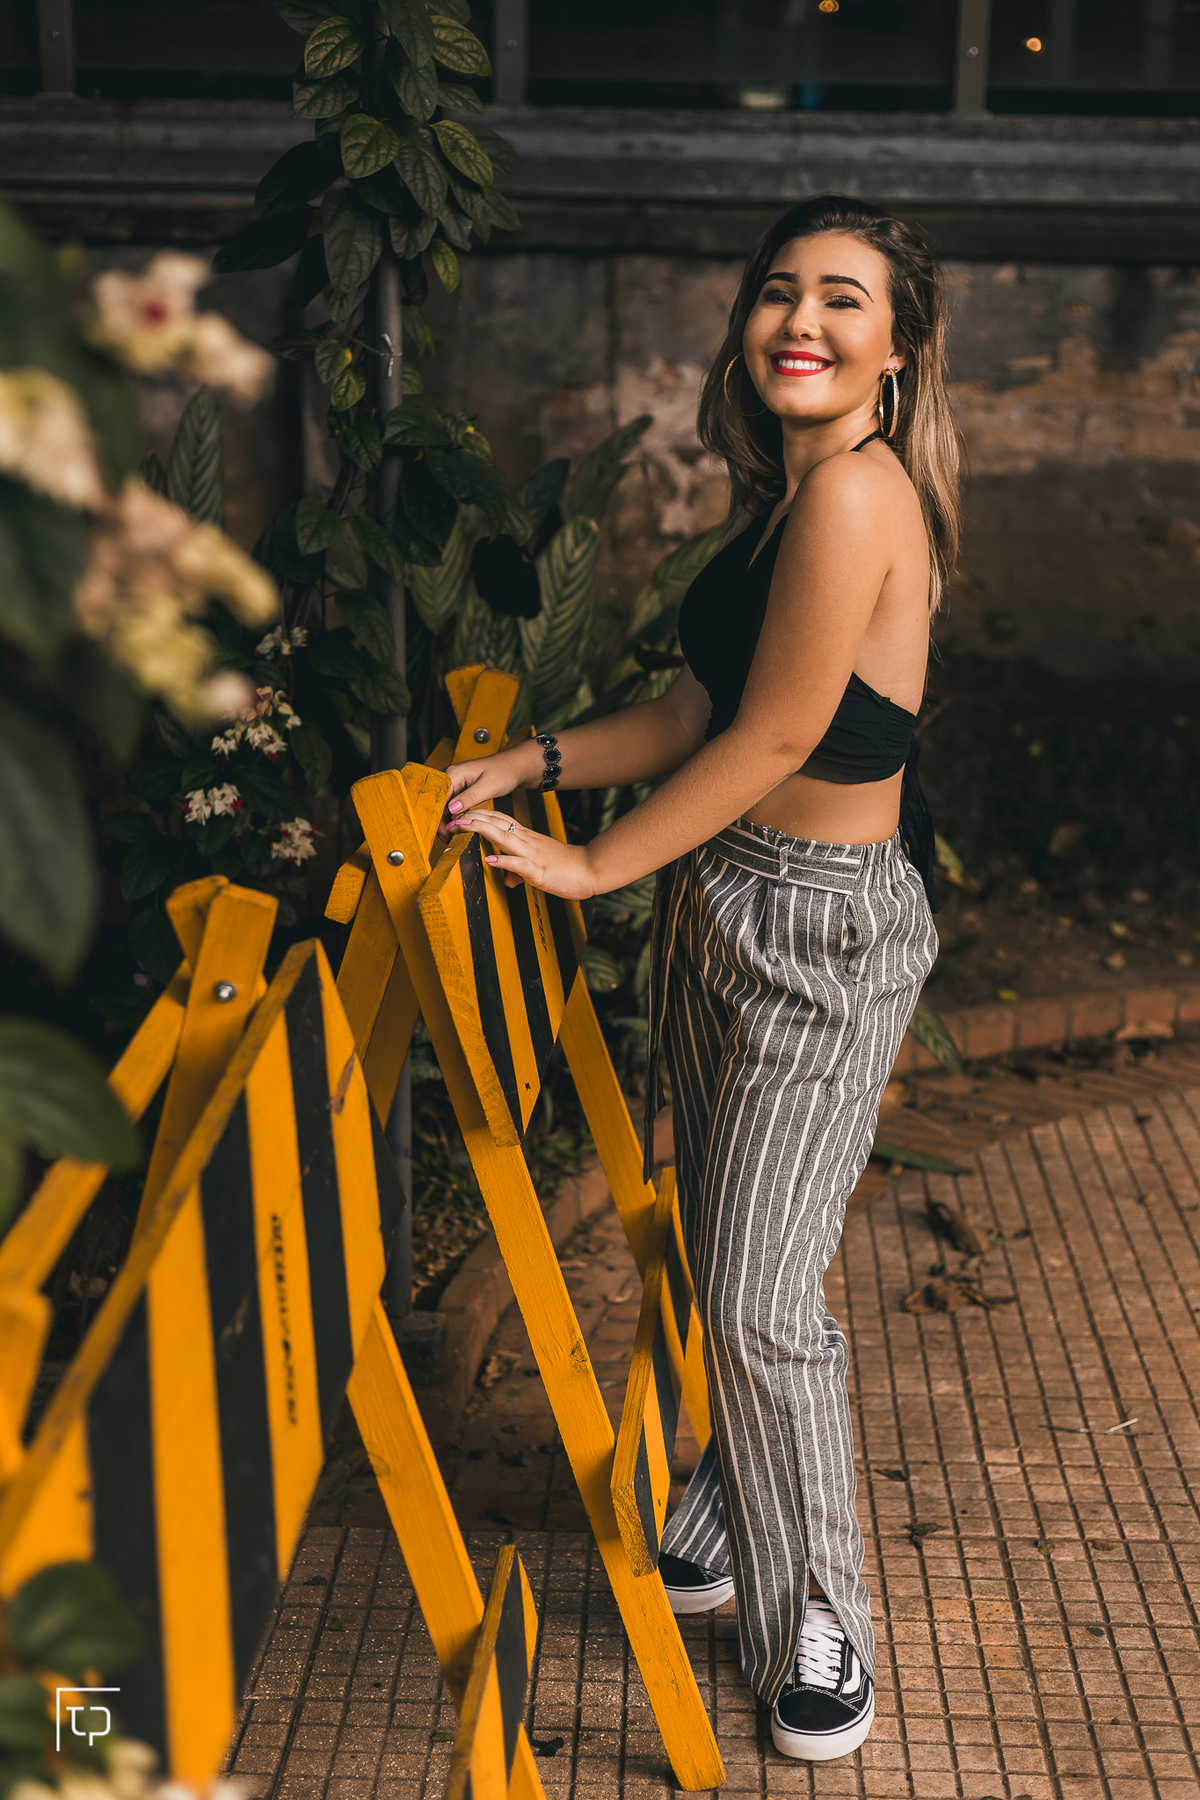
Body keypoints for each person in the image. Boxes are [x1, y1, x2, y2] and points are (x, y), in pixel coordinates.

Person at [439, 193, 961, 1763]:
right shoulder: (782, 504)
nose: (802, 319)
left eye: (843, 301)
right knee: (722, 1246)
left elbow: (779, 738)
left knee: (757, 1294)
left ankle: (822, 1617)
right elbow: (688, 710)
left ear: (899, 348)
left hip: (819, 933)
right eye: (779, 293)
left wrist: (601, 865)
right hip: (728, 906)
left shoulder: (860, 501)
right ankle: (737, 1499)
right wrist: (532, 762)